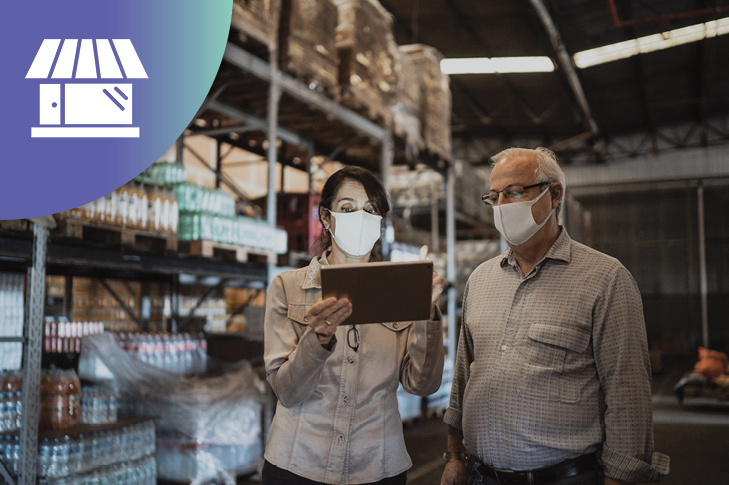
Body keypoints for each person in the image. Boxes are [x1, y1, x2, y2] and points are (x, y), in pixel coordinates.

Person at [441, 148, 669, 485]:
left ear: (555, 193)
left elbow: (628, 394)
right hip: (481, 476)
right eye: (495, 197)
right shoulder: (480, 280)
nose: (503, 206)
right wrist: (454, 455)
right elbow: (463, 379)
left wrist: (621, 478)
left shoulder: (605, 279)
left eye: (516, 192)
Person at [263, 166, 446, 485]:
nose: (359, 218)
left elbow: (422, 385)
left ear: (380, 221)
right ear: (326, 217)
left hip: (377, 465)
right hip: (298, 464)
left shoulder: (401, 289)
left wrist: (427, 315)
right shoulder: (287, 287)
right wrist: (317, 340)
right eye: (347, 208)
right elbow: (288, 392)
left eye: (370, 210)